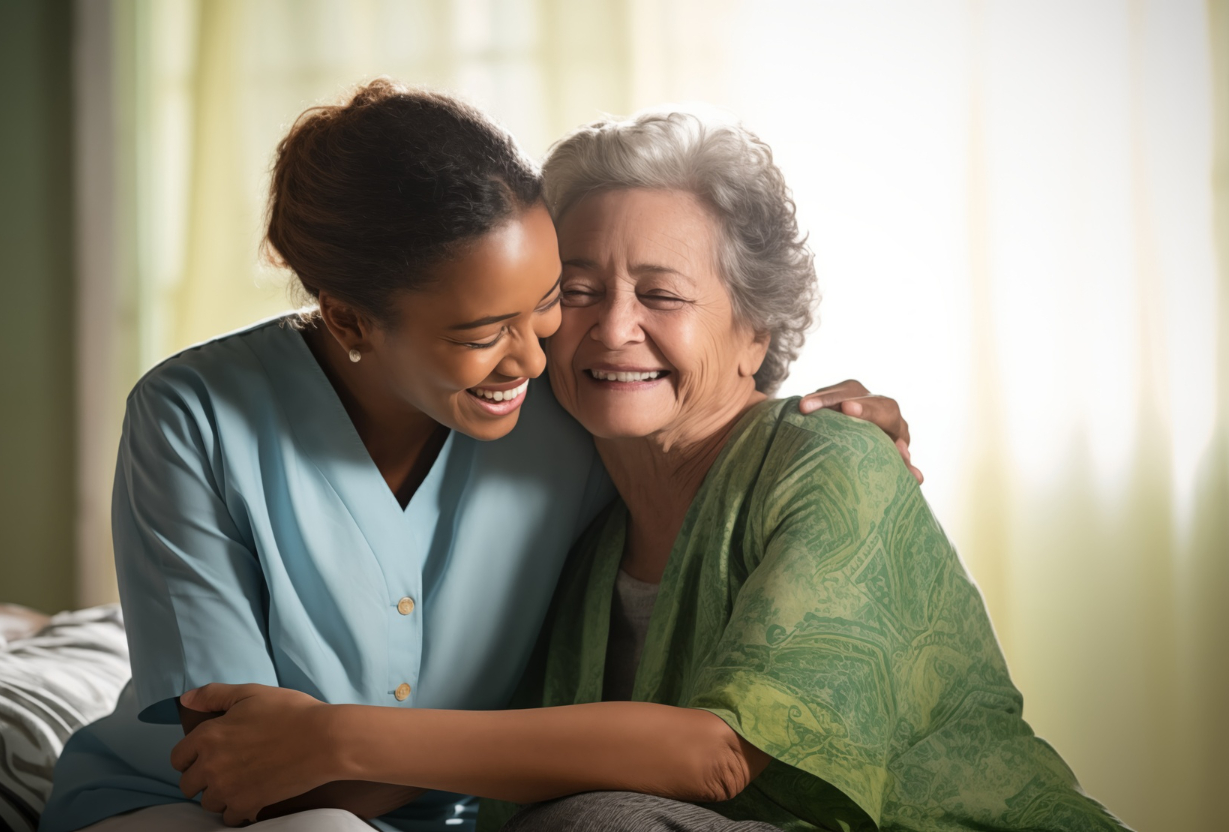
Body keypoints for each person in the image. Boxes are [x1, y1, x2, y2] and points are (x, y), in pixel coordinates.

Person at [166, 111, 1132, 832]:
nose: (611, 328)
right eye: (573, 292)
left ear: (757, 330)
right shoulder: (568, 496)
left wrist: (336, 736)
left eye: (661, 294)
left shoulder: (830, 464)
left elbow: (717, 762)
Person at [39, 81, 911, 832]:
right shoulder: (192, 413)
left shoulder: (566, 410)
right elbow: (244, 769)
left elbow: (701, 403)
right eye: (483, 332)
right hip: (187, 807)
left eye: (543, 307)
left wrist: (829, 424)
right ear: (348, 320)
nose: (532, 358)